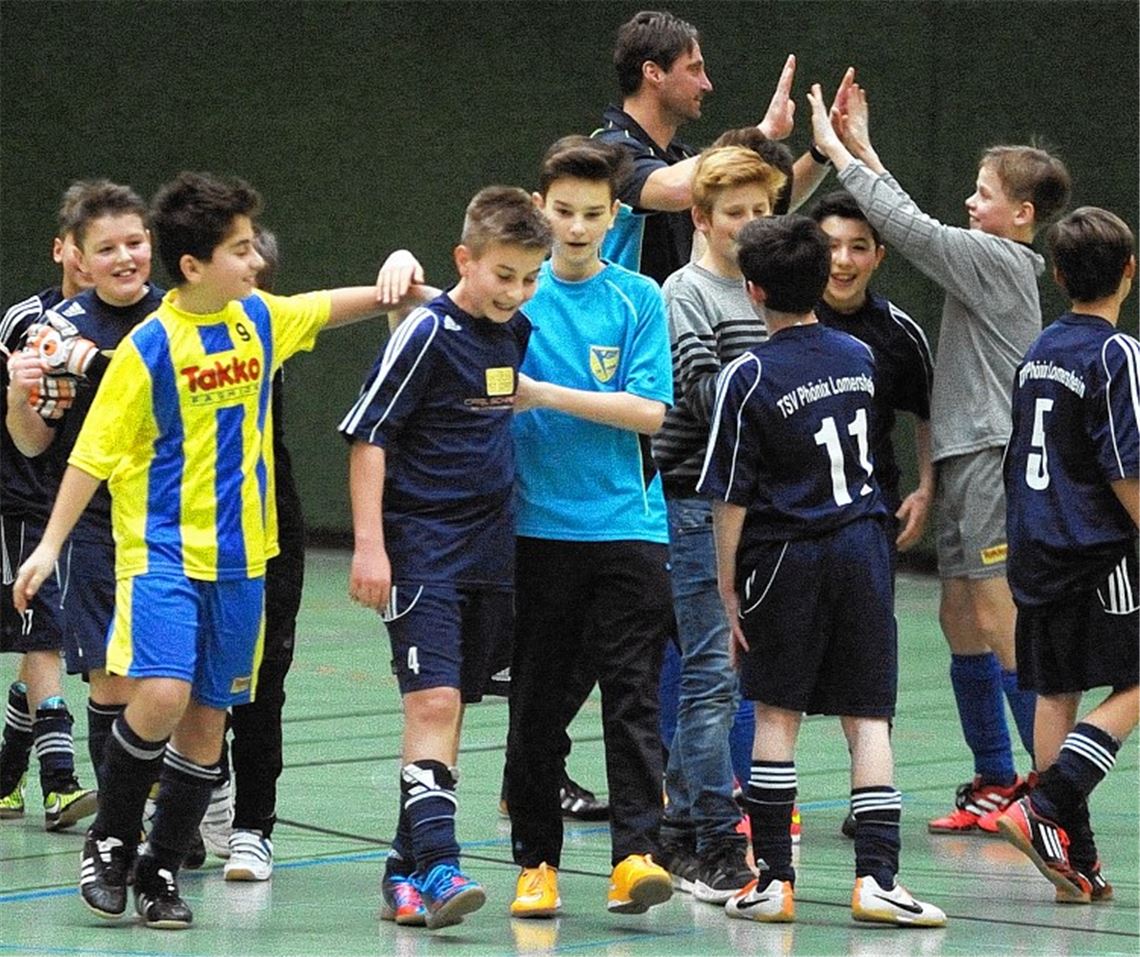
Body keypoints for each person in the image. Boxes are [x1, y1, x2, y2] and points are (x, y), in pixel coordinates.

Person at [13, 170, 416, 931]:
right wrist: (48, 548)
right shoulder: (149, 349)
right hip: (161, 550)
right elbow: (90, 456)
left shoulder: (257, 319)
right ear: (195, 265)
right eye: (239, 250)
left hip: (245, 558)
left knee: (207, 722)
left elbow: (326, 308)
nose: (255, 262)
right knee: (160, 692)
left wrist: (396, 284)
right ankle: (110, 838)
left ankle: (161, 868)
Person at [808, 80, 1072, 833]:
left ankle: (1047, 792)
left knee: (997, 610)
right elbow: (911, 220)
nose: (971, 201)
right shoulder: (984, 251)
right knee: (959, 613)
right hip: (962, 455)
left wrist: (835, 150)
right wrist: (863, 149)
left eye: (983, 193)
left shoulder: (998, 258)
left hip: (990, 450)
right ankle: (995, 777)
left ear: (1020, 215)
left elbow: (911, 228)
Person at [700, 214, 945, 927]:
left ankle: (774, 878)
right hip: (864, 546)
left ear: (752, 290)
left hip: (786, 555)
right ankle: (878, 877)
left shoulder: (747, 375)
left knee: (776, 711)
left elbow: (730, 493)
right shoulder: (857, 353)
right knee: (868, 715)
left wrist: (725, 583)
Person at [340, 186, 551, 931]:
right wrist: (371, 545)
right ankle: (439, 862)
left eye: (529, 276)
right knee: (430, 703)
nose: (516, 291)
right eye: (503, 274)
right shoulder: (424, 334)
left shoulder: (515, 331)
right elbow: (370, 435)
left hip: (491, 554)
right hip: (422, 547)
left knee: (452, 708)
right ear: (466, 259)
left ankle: (403, 868)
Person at [504, 136, 675, 920]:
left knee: (632, 695)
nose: (576, 227)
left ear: (615, 216)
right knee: (537, 703)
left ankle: (636, 853)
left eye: (593, 214)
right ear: (540, 208)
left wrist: (545, 394)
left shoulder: (640, 299)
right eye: (563, 211)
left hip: (627, 526)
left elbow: (648, 411)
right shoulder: (513, 301)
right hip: (538, 531)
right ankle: (535, 861)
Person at [650, 145, 785, 903]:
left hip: (747, 505)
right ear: (702, 218)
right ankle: (711, 841)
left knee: (722, 671)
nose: (749, 224)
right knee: (709, 677)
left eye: (762, 212)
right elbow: (706, 394)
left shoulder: (767, 295)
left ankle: (673, 829)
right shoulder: (685, 294)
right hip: (693, 501)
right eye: (735, 213)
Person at [995, 206, 1138, 905]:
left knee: (1058, 690)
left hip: (1034, 544)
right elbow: (1124, 464)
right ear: (1130, 272)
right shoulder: (1116, 354)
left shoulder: (1038, 351)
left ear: (1055, 275)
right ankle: (1048, 803)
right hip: (1095, 549)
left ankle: (1070, 856)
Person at [9, 182, 163, 815]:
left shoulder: (179, 313)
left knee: (174, 677)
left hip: (176, 514)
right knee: (110, 672)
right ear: (76, 256)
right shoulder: (54, 330)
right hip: (95, 522)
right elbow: (32, 442)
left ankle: (192, 811)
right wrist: (22, 392)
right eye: (107, 248)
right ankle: (120, 825)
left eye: (135, 242)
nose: (124, 257)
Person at [807, 188, 935, 839]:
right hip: (792, 525)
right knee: (775, 664)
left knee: (865, 657)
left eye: (858, 247)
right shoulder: (791, 321)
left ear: (879, 255)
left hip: (867, 520)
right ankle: (761, 797)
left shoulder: (897, 332)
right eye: (831, 246)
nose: (844, 259)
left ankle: (870, 793)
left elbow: (928, 414)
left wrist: (926, 488)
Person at [593, 9, 846, 284]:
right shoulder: (607, 151)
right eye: (694, 69)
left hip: (682, 321)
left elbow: (769, 200)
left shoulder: (683, 157)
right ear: (653, 73)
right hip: (628, 326)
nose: (707, 84)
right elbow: (673, 189)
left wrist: (823, 152)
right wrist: (762, 132)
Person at [0, 183, 97, 830]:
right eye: (90, 246)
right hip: (22, 497)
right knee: (43, 631)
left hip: (90, 501)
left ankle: (7, 773)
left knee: (57, 636)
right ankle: (61, 781)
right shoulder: (23, 321)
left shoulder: (127, 324)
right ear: (63, 249)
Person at [218, 226, 307, 881]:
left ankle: (253, 825)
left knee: (262, 681)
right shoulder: (169, 337)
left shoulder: (270, 328)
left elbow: (346, 304)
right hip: (190, 527)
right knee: (183, 681)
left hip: (271, 522)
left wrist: (395, 272)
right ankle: (198, 797)